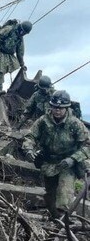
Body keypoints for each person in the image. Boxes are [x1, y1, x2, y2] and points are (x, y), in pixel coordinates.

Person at [23, 90, 90, 220]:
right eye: (55, 107)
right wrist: (29, 149)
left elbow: (87, 145)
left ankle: (64, 221)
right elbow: (30, 136)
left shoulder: (75, 124)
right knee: (50, 195)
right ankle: (54, 220)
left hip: (68, 164)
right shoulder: (43, 121)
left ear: (66, 108)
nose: (57, 110)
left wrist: (73, 159)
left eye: (61, 108)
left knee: (64, 195)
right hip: (49, 163)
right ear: (51, 106)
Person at [0, 19, 32, 94]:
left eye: (25, 33)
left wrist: (22, 64)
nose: (22, 33)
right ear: (20, 27)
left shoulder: (20, 38)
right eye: (22, 31)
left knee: (6, 67)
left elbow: (20, 52)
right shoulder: (9, 29)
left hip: (8, 54)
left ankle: (2, 88)